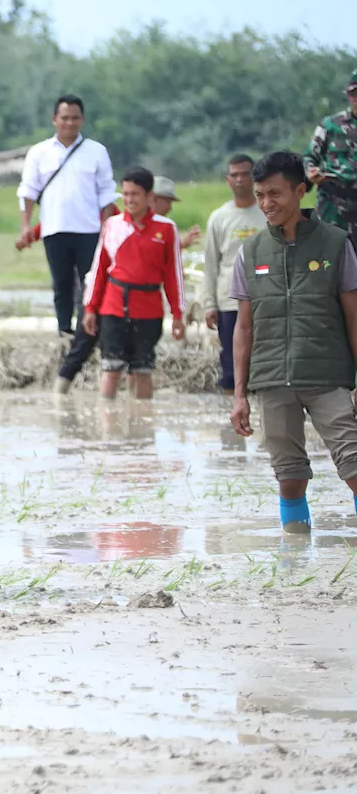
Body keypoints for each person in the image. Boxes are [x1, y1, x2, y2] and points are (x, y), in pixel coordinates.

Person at [230, 151, 357, 534]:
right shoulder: (250, 252)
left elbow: (354, 316)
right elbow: (244, 328)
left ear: (300, 191)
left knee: (353, 464)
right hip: (272, 380)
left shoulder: (336, 244)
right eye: (261, 195)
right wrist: (239, 394)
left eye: (275, 194)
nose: (267, 204)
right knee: (288, 475)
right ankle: (295, 550)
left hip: (328, 375)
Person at [17, 95, 117, 337]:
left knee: (90, 282)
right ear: (54, 120)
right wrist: (26, 226)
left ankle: (88, 330)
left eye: (74, 118)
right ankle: (64, 331)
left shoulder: (96, 151)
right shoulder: (39, 152)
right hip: (54, 228)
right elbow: (28, 191)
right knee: (61, 283)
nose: (69, 123)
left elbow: (106, 194)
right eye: (64, 118)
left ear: (82, 120)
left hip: (89, 230)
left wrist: (106, 228)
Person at [83, 167, 186, 400]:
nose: (129, 200)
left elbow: (173, 275)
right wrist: (90, 308)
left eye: (135, 194)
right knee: (110, 367)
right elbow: (99, 269)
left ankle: (143, 428)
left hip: (149, 309)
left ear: (151, 197)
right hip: (112, 307)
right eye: (126, 194)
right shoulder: (112, 225)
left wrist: (178, 314)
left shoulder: (167, 229)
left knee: (143, 369)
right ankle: (107, 428)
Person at [202, 155, 264, 395]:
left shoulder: (266, 211)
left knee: (264, 362)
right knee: (231, 365)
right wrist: (209, 304)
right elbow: (211, 265)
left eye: (245, 174)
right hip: (229, 300)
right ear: (228, 180)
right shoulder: (219, 217)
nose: (240, 180)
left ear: (254, 175)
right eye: (234, 175)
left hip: (265, 297)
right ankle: (232, 424)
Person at [305, 69, 357, 241]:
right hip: (333, 206)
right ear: (348, 96)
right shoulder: (331, 125)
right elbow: (309, 158)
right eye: (354, 93)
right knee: (330, 260)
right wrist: (311, 172)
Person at [152, 177, 201, 249]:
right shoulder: (134, 224)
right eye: (168, 202)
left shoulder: (166, 227)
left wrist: (179, 245)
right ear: (153, 198)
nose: (169, 208)